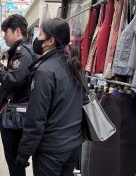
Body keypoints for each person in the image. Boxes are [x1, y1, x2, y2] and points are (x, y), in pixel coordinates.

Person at [15, 17, 84, 176]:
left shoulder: (44, 71)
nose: (37, 38)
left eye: (40, 34)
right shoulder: (74, 65)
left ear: (50, 40)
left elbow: (36, 117)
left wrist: (24, 151)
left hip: (51, 152)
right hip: (72, 146)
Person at [0, 14, 37, 176]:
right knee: (14, 160)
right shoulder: (21, 51)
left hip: (15, 115)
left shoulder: (22, 53)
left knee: (14, 160)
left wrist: (2, 73)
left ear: (17, 31)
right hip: (15, 113)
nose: (4, 37)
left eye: (6, 32)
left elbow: (12, 81)